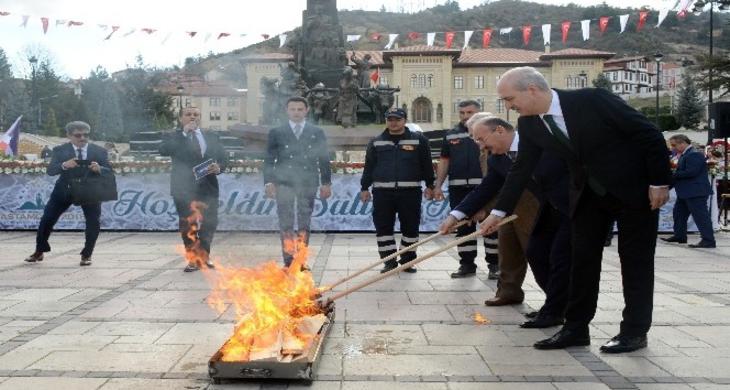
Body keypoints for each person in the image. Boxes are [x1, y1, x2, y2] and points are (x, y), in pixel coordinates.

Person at [480, 66, 672, 353]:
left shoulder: (592, 100)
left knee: (635, 262)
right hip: (586, 196)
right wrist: (498, 212)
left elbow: (648, 134)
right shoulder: (530, 124)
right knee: (580, 262)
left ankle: (634, 331)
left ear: (531, 89)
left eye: (509, 99)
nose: (508, 106)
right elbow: (521, 169)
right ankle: (575, 328)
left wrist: (659, 181)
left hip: (633, 190)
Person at [439, 116, 572, 329]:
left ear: (499, 130)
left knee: (552, 258)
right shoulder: (496, 159)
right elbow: (488, 187)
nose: (482, 147)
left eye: (482, 140)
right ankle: (556, 306)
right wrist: (456, 215)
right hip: (534, 212)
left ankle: (562, 308)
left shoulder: (539, 143)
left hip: (561, 209)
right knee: (536, 256)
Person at [24, 121, 111, 266]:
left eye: (86, 135)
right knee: (47, 219)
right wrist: (64, 165)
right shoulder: (60, 150)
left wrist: (100, 169)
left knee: (93, 221)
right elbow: (51, 171)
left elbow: (109, 171)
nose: (82, 138)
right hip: (64, 190)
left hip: (90, 190)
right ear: (69, 136)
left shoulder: (99, 151)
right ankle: (39, 250)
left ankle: (87, 254)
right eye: (78, 135)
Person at [361, 108, 435, 273]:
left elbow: (427, 165)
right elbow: (369, 167)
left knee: (411, 228)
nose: (393, 123)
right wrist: (364, 188)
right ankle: (389, 261)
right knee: (383, 228)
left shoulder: (419, 140)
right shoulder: (376, 141)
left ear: (404, 120)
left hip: (410, 192)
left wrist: (430, 185)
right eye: (390, 119)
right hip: (382, 193)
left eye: (397, 119)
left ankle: (407, 261)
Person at [433, 101, 500, 280]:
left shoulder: (488, 134)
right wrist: (438, 185)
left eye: (469, 112)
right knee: (463, 227)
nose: (465, 116)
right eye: (461, 112)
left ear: (479, 113)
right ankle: (467, 264)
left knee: (491, 226)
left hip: (486, 188)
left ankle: (495, 265)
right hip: (459, 188)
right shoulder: (451, 135)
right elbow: (444, 161)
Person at [264, 97, 332, 267]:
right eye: (293, 109)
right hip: (284, 182)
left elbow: (324, 159)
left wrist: (326, 183)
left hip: (307, 182)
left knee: (304, 223)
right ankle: (288, 260)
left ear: (306, 110)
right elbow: (269, 160)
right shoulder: (277, 132)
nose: (296, 112)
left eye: (300, 109)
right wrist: (269, 182)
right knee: (286, 223)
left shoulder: (316, 132)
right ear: (287, 111)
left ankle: (301, 260)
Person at [160, 106, 227, 272]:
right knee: (188, 224)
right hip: (183, 187)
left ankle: (204, 255)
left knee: (210, 222)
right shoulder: (173, 136)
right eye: (188, 114)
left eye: (196, 114)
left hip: (208, 187)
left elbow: (224, 157)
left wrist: (219, 166)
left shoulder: (211, 135)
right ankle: (193, 258)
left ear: (200, 117)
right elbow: (163, 150)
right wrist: (184, 134)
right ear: (181, 118)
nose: (192, 117)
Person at [662, 134, 715, 248]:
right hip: (686, 191)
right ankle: (680, 235)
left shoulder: (694, 154)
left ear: (682, 143)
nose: (672, 148)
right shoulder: (686, 154)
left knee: (701, 216)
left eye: (674, 145)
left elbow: (691, 172)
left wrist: (673, 174)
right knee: (679, 214)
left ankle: (708, 240)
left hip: (695, 191)